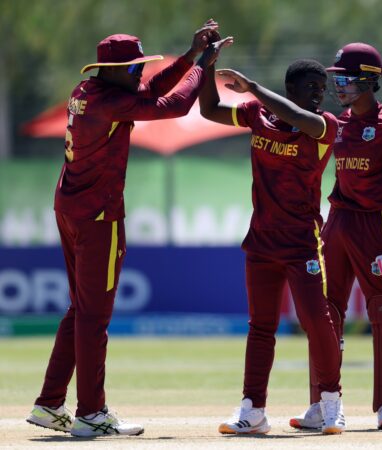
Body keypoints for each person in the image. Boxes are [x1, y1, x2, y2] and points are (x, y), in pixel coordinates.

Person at [26, 20, 230, 437]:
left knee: (80, 310)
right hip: (98, 217)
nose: (141, 73)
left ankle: (49, 403)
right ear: (116, 71)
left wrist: (190, 56)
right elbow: (172, 106)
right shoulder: (110, 102)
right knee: (93, 317)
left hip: (70, 207)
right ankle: (91, 414)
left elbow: (151, 90)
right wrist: (203, 67)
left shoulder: (89, 91)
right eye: (135, 67)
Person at [199, 57, 345, 435]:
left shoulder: (324, 125)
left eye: (322, 89)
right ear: (290, 88)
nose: (319, 94)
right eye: (311, 87)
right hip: (262, 241)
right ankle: (253, 410)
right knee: (261, 327)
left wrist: (252, 88)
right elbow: (209, 109)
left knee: (316, 321)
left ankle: (331, 402)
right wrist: (205, 66)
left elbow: (297, 117)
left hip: (302, 244)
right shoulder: (256, 115)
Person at [290, 42, 382, 431]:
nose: (338, 86)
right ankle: (322, 403)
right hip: (338, 221)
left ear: (368, 80)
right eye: (337, 79)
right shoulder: (337, 124)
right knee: (325, 312)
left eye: (345, 79)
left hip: (375, 224)